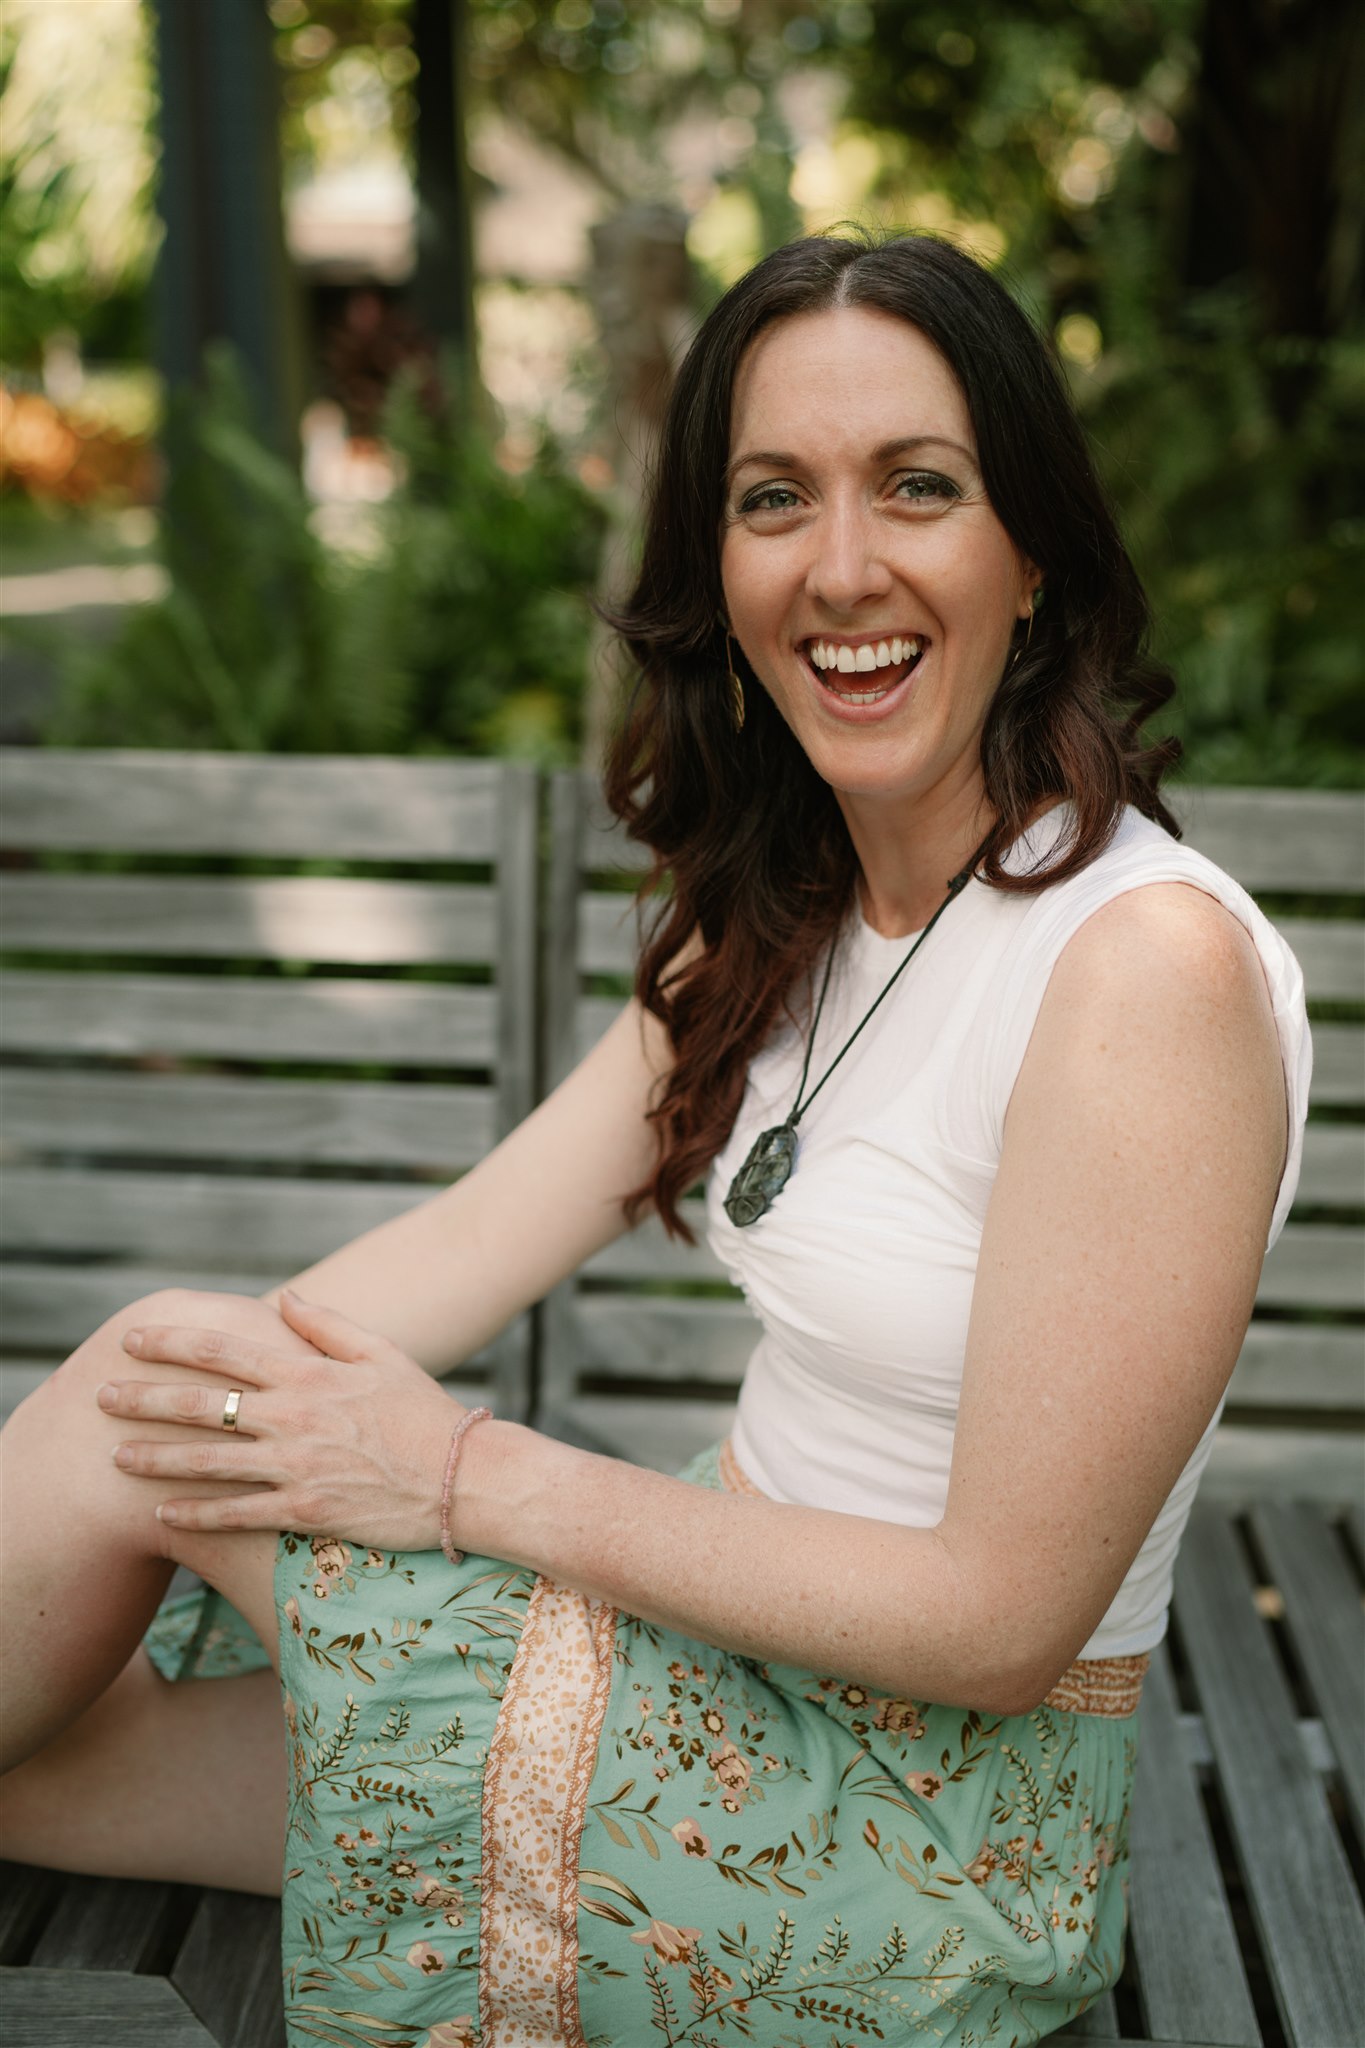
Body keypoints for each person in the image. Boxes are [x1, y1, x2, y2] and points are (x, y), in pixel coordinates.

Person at [0, 232, 1306, 2048]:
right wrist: (260, 1406)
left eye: (916, 488)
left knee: (145, 1393)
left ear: (1033, 555)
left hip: (916, 1834)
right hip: (703, 1656)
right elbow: (464, 1242)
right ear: (717, 561)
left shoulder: (1136, 973)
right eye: (775, 498)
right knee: (71, 1677)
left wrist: (449, 1476)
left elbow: (1003, 1618)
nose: (840, 565)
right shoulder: (776, 914)